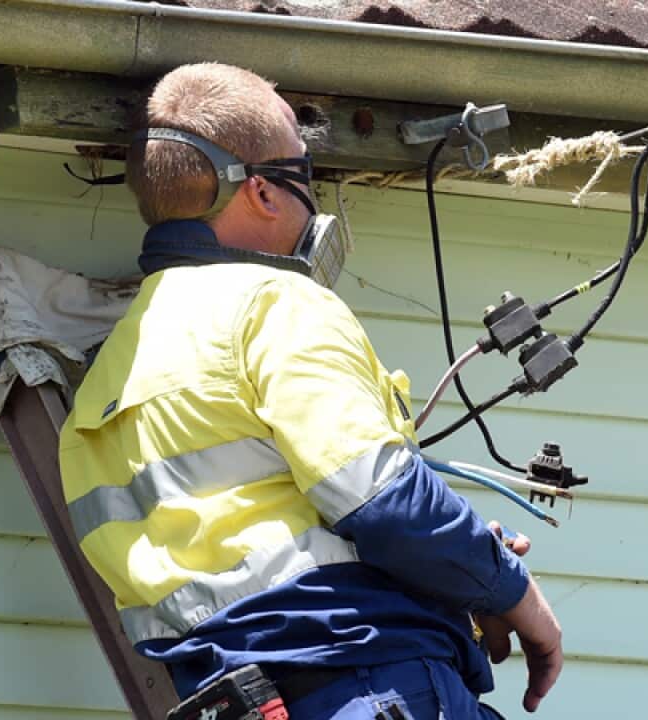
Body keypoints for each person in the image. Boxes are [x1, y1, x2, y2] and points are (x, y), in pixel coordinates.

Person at [58, 62, 562, 720]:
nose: (314, 205)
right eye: (306, 178)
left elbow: (262, 557)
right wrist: (510, 590)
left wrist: (451, 574)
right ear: (264, 193)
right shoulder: (275, 302)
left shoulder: (105, 378)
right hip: (370, 683)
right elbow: (382, 500)